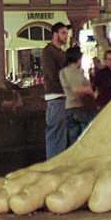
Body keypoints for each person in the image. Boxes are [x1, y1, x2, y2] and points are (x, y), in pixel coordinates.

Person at [41, 21, 70, 159]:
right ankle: (53, 162)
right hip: (55, 96)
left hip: (63, 96)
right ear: (55, 34)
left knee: (62, 134)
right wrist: (68, 68)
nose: (66, 36)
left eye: (67, 34)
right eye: (63, 33)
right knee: (55, 132)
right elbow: (53, 74)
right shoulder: (48, 52)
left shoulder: (60, 52)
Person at [59, 46, 96, 146]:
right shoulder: (74, 72)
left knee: (73, 141)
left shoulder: (63, 71)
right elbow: (77, 89)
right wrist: (91, 90)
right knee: (87, 139)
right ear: (78, 58)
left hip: (69, 108)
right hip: (79, 108)